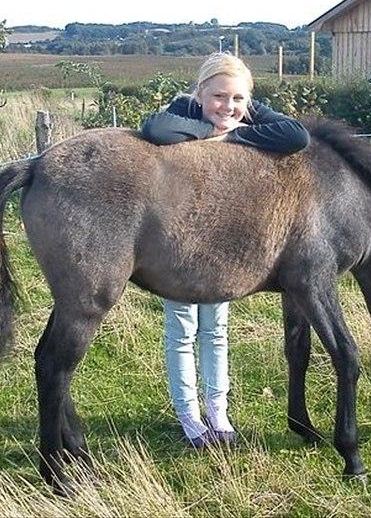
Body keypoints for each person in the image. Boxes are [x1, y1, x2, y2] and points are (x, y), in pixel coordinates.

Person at [141, 52, 310, 448]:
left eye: (237, 98)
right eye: (218, 97)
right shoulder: (183, 108)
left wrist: (232, 134)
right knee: (181, 330)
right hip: (178, 242)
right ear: (200, 92)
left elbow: (297, 135)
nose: (228, 106)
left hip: (222, 245)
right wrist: (207, 131)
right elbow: (156, 129)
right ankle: (190, 417)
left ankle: (218, 412)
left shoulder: (247, 113)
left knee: (216, 330)